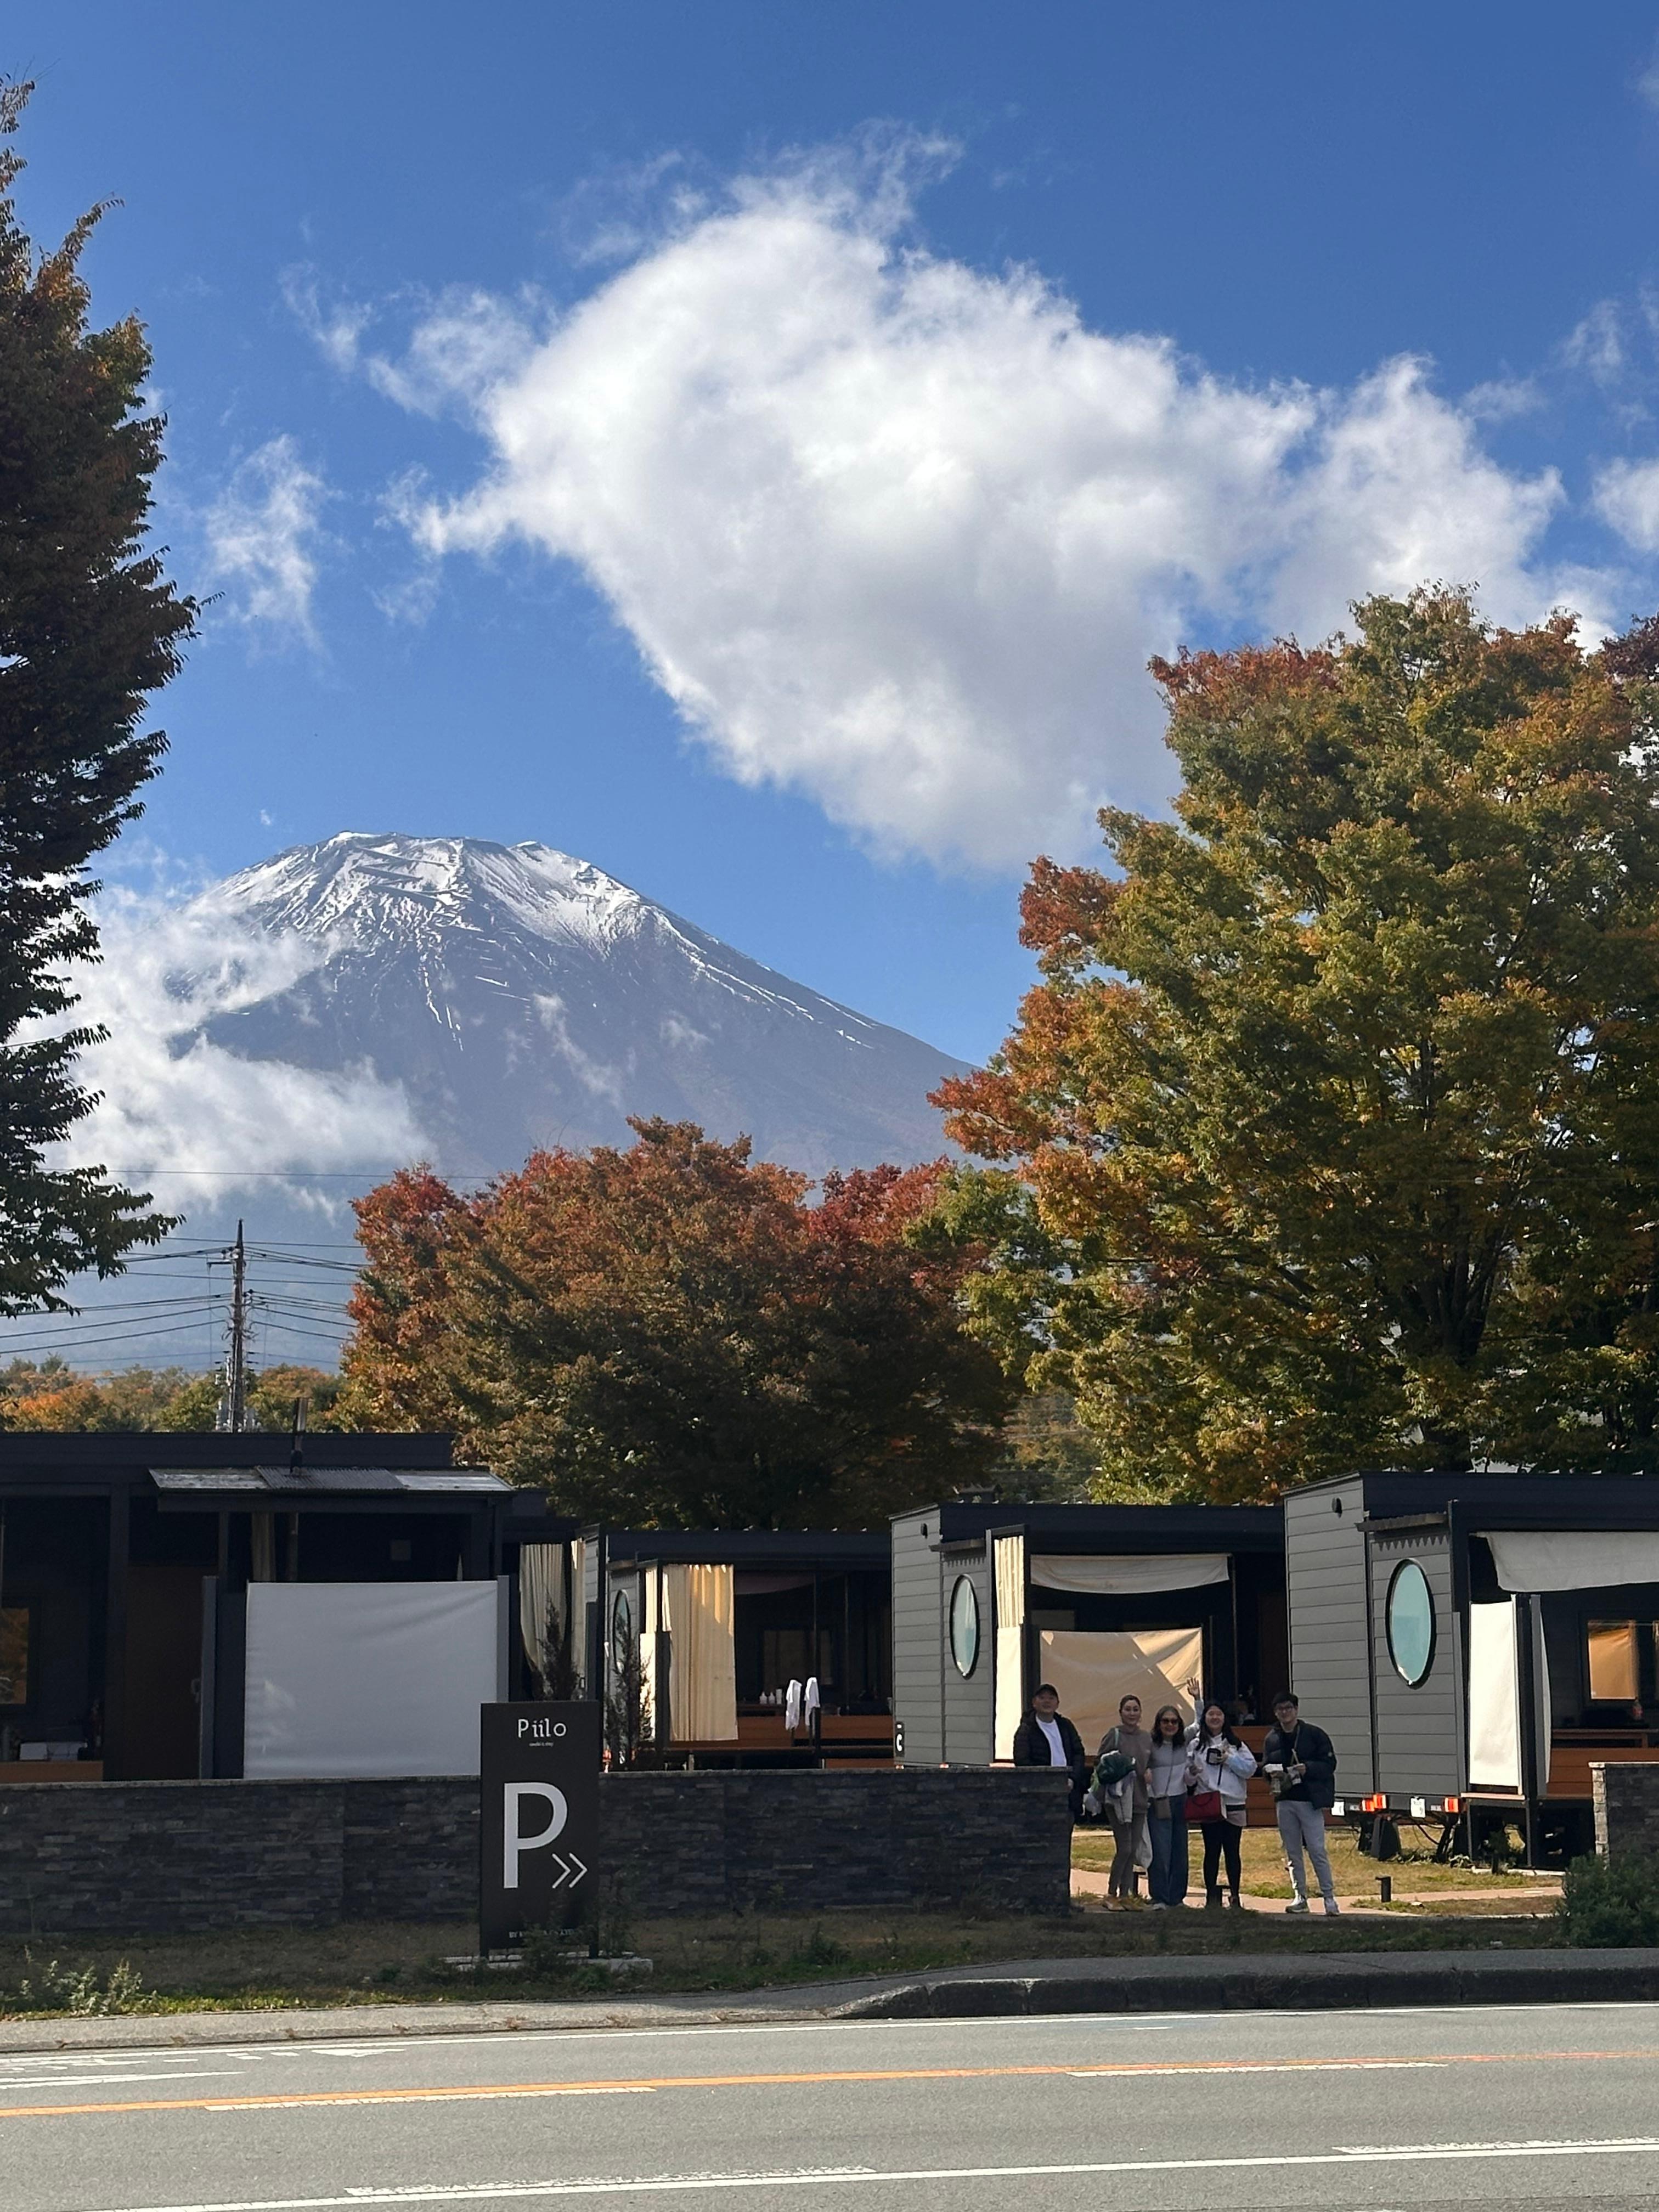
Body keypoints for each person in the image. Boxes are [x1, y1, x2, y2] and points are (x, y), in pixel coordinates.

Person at [1262, 1691, 1340, 1915]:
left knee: (1317, 1849)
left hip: (1309, 1800)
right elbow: (1265, 1767)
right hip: (1284, 1800)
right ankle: (1300, 1896)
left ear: (1296, 1710)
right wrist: (1271, 1774)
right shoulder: (1272, 1739)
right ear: (1275, 1713)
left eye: (1288, 1708)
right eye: (1280, 1709)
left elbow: (1330, 1764)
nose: (1284, 1713)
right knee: (1292, 1852)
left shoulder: (1314, 1734)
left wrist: (1309, 1768)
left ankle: (1329, 1898)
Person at [1190, 1700, 1256, 1908]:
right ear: (1205, 1718)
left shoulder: (1236, 1744)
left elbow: (1250, 1770)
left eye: (1219, 1714)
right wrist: (1192, 1773)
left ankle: (1235, 1895)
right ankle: (1211, 1896)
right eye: (1211, 1714)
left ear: (1225, 1718)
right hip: (1208, 1803)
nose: (1215, 1718)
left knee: (1232, 1851)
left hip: (1234, 1803)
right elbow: (1188, 1778)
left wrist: (1229, 1759)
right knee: (1211, 1851)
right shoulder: (1196, 1745)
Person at [1093, 1692, 1152, 1905]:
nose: (1132, 1713)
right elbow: (1101, 1762)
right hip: (1118, 1800)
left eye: (1135, 1709)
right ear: (1121, 1712)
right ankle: (1111, 1892)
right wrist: (1119, 1767)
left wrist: (1149, 1772)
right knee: (1124, 1848)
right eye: (1128, 1709)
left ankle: (1125, 1895)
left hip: (1140, 1799)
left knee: (1133, 1850)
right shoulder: (1114, 1735)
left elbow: (1150, 1763)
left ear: (1141, 1713)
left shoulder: (1146, 1737)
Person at [1145, 1703, 1196, 1908]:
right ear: (1158, 1724)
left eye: (1174, 1721)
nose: (1170, 1725)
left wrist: (1198, 1699)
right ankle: (1159, 1897)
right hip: (1158, 1801)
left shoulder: (1183, 1743)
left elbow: (1199, 1723)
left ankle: (1177, 1898)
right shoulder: (1151, 1744)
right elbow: (1142, 1766)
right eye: (1165, 1721)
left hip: (1180, 1800)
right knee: (1161, 1850)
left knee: (1180, 1851)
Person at [1012, 1683, 1087, 1818]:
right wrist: (1042, 1782)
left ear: (1057, 1703)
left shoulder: (1066, 1726)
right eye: (1042, 1698)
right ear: (1034, 1703)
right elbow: (1022, 1760)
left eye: (1051, 1698)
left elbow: (1078, 1753)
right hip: (1038, 1795)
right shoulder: (1026, 1729)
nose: (1047, 1702)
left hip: (1068, 1789)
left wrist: (1073, 1779)